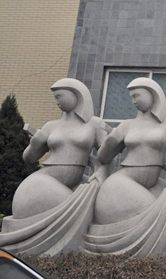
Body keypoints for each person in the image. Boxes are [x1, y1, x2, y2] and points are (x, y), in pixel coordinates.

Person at [0, 78, 108, 255]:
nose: (56, 101)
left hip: (74, 182)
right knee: (80, 209)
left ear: (76, 96)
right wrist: (35, 143)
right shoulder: (51, 126)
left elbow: (106, 155)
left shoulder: (94, 124)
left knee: (92, 206)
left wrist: (101, 172)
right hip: (41, 183)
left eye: (59, 96)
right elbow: (29, 158)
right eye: (55, 97)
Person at [93, 77, 166, 225]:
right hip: (123, 181)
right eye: (131, 97)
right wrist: (110, 140)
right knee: (157, 216)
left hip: (154, 184)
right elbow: (103, 158)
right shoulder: (127, 125)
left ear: (152, 94)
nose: (133, 101)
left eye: (137, 95)